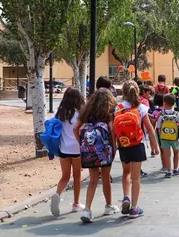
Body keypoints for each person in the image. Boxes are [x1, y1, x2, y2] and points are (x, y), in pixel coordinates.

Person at [115, 81, 159, 219]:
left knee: (126, 173)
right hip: (137, 144)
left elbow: (113, 128)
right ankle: (134, 207)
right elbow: (150, 128)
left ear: (124, 92)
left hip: (123, 144)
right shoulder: (141, 108)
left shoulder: (118, 107)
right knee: (136, 176)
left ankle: (126, 197)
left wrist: (113, 145)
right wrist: (155, 145)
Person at [73, 89, 118, 223]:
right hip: (104, 150)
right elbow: (112, 130)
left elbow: (75, 128)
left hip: (89, 151)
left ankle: (87, 210)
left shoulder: (86, 112)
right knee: (105, 178)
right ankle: (109, 206)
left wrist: (81, 143)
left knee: (93, 179)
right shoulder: (108, 113)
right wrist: (114, 146)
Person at [50, 88, 85, 217]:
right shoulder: (78, 115)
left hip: (63, 149)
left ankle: (57, 194)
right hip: (76, 148)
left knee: (65, 176)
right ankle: (76, 203)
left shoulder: (59, 114)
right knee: (77, 176)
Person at [156, 94, 179, 178]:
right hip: (174, 137)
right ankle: (176, 168)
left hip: (164, 137)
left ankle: (169, 171)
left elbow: (159, 126)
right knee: (176, 152)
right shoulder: (176, 113)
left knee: (167, 154)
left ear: (164, 103)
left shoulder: (162, 114)